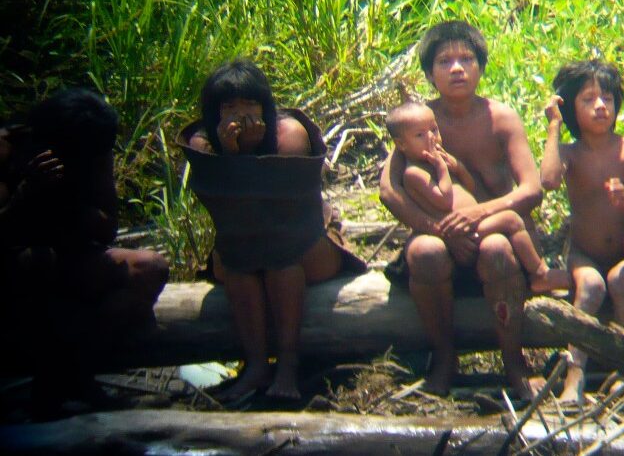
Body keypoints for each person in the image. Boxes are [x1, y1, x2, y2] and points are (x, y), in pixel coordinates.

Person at [379, 21, 546, 399]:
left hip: (496, 236)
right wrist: (440, 230)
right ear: (428, 73)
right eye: (444, 60)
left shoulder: (500, 117)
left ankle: (514, 362)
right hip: (443, 237)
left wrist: (478, 214)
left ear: (481, 67)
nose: (457, 68)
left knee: (497, 250)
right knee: (424, 251)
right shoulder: (417, 121)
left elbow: (532, 189)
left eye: (467, 59)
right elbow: (389, 190)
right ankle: (443, 357)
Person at [183, 59, 364, 402]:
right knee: (240, 263)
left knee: (281, 259)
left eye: (250, 104)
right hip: (240, 248)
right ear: (213, 111)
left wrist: (252, 154)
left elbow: (289, 209)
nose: (241, 114)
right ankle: (255, 367)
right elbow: (221, 209)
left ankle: (287, 368)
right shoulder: (203, 142)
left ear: (264, 105)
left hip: (304, 242)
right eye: (229, 106)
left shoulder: (288, 133)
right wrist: (234, 154)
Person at [0, 88, 169, 418]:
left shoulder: (93, 148)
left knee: (150, 269)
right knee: (35, 264)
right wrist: (26, 197)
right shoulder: (9, 148)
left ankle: (70, 374)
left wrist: (65, 200)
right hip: (14, 268)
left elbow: (107, 229)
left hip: (71, 258)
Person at [541, 59, 624, 404]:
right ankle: (574, 376)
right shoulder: (570, 153)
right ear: (572, 109)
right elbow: (549, 180)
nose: (601, 106)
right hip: (584, 254)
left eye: (608, 99)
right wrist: (554, 126)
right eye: (588, 100)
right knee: (592, 288)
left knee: (620, 282)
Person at [386, 101, 570, 294]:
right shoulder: (414, 172)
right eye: (420, 135)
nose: (431, 138)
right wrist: (441, 168)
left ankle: (537, 272)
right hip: (461, 233)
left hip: (472, 225)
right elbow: (444, 199)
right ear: (401, 144)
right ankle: (539, 272)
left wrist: (457, 167)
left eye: (434, 130)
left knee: (508, 229)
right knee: (511, 220)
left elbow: (470, 187)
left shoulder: (438, 162)